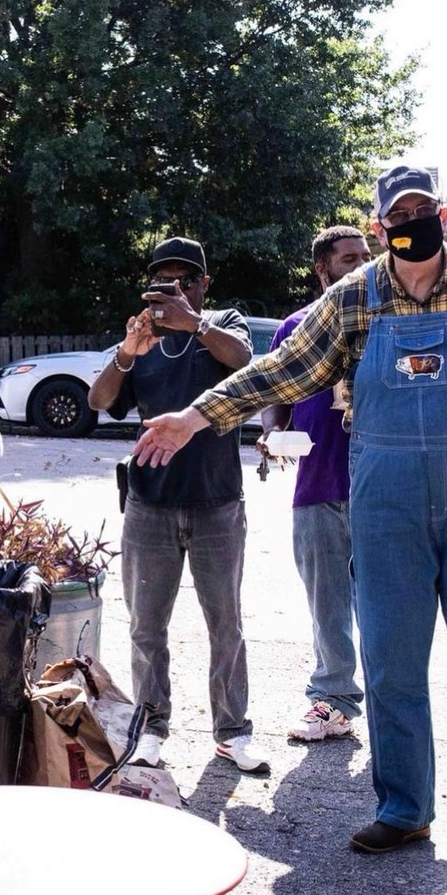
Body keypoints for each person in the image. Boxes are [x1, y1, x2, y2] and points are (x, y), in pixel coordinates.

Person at [131, 166, 447, 859]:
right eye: (398, 215)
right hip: (384, 499)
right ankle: (405, 808)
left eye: (423, 210)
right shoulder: (355, 297)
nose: (411, 222)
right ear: (381, 227)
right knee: (390, 662)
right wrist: (195, 417)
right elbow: (283, 370)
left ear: (444, 217)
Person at [87, 236, 270, 775]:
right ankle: (151, 728)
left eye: (186, 281)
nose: (175, 291)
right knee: (146, 626)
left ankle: (232, 733)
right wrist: (126, 353)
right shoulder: (142, 338)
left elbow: (244, 361)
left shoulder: (223, 324)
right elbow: (100, 401)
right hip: (150, 503)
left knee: (225, 624)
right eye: (163, 282)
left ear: (204, 284)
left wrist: (193, 322)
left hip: (217, 501)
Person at [259, 226, 371, 742]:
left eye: (367, 255)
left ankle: (392, 709)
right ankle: (332, 701)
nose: (362, 265)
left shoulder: (388, 322)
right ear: (323, 269)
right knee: (327, 607)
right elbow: (275, 394)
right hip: (318, 484)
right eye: (349, 259)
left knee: (385, 609)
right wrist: (271, 432)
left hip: (383, 488)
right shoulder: (297, 327)